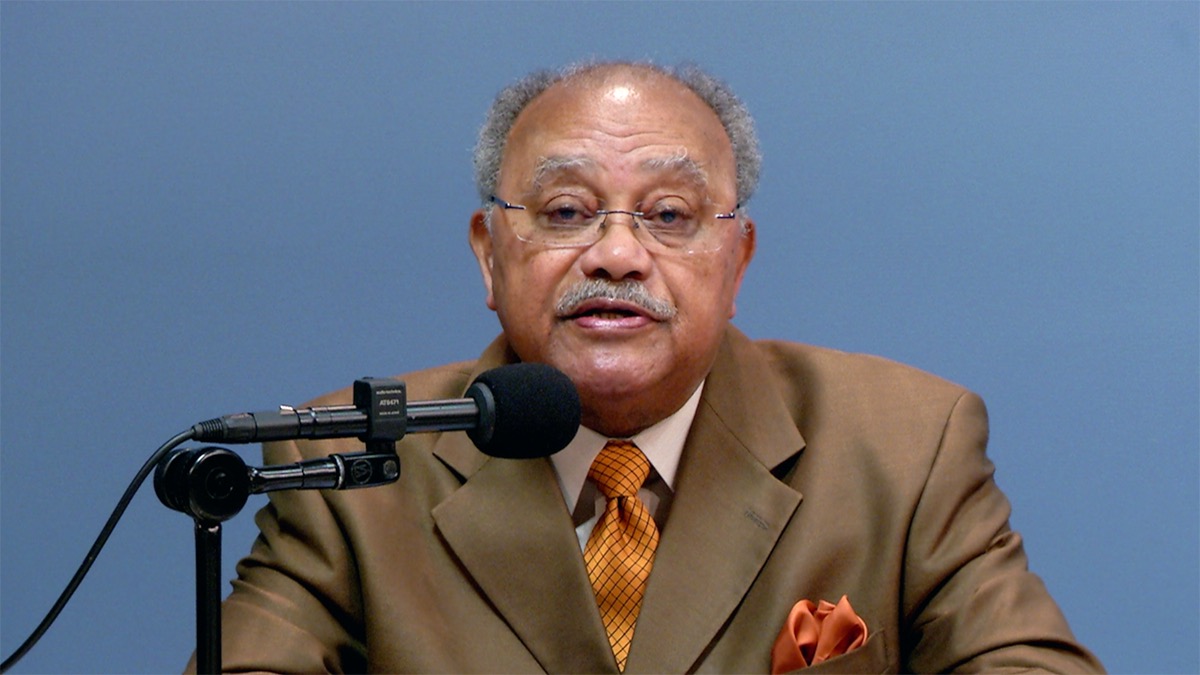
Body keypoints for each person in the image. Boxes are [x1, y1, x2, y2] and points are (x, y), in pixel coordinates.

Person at [201, 61, 1103, 673]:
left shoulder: (904, 448)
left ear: (737, 261)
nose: (618, 254)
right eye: (566, 211)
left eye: (669, 215)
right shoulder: (354, 469)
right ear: (489, 255)